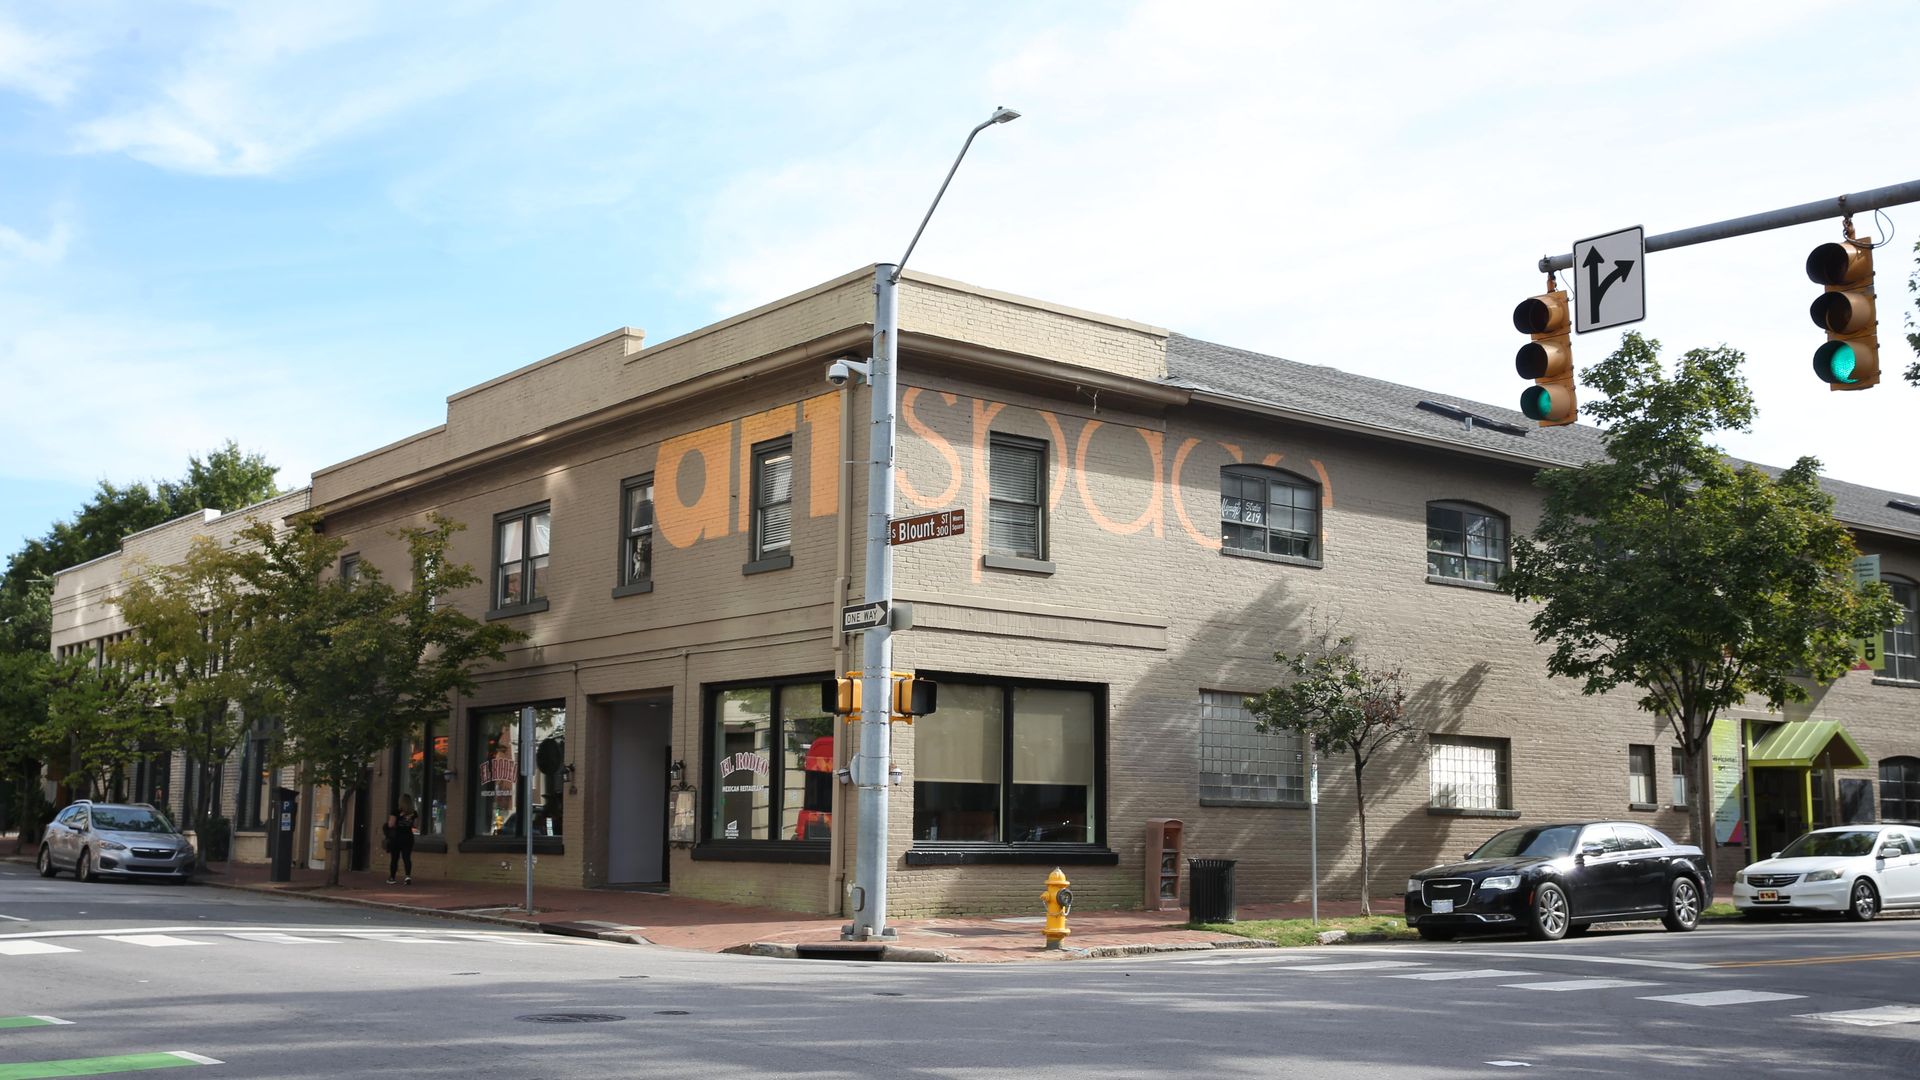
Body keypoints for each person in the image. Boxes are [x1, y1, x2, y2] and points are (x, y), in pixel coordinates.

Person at [385, 794, 418, 885]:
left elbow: (391, 824)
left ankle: (392, 877)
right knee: (407, 857)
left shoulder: (396, 811)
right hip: (408, 837)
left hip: (397, 837)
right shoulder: (413, 813)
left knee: (394, 858)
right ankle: (407, 877)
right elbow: (415, 825)